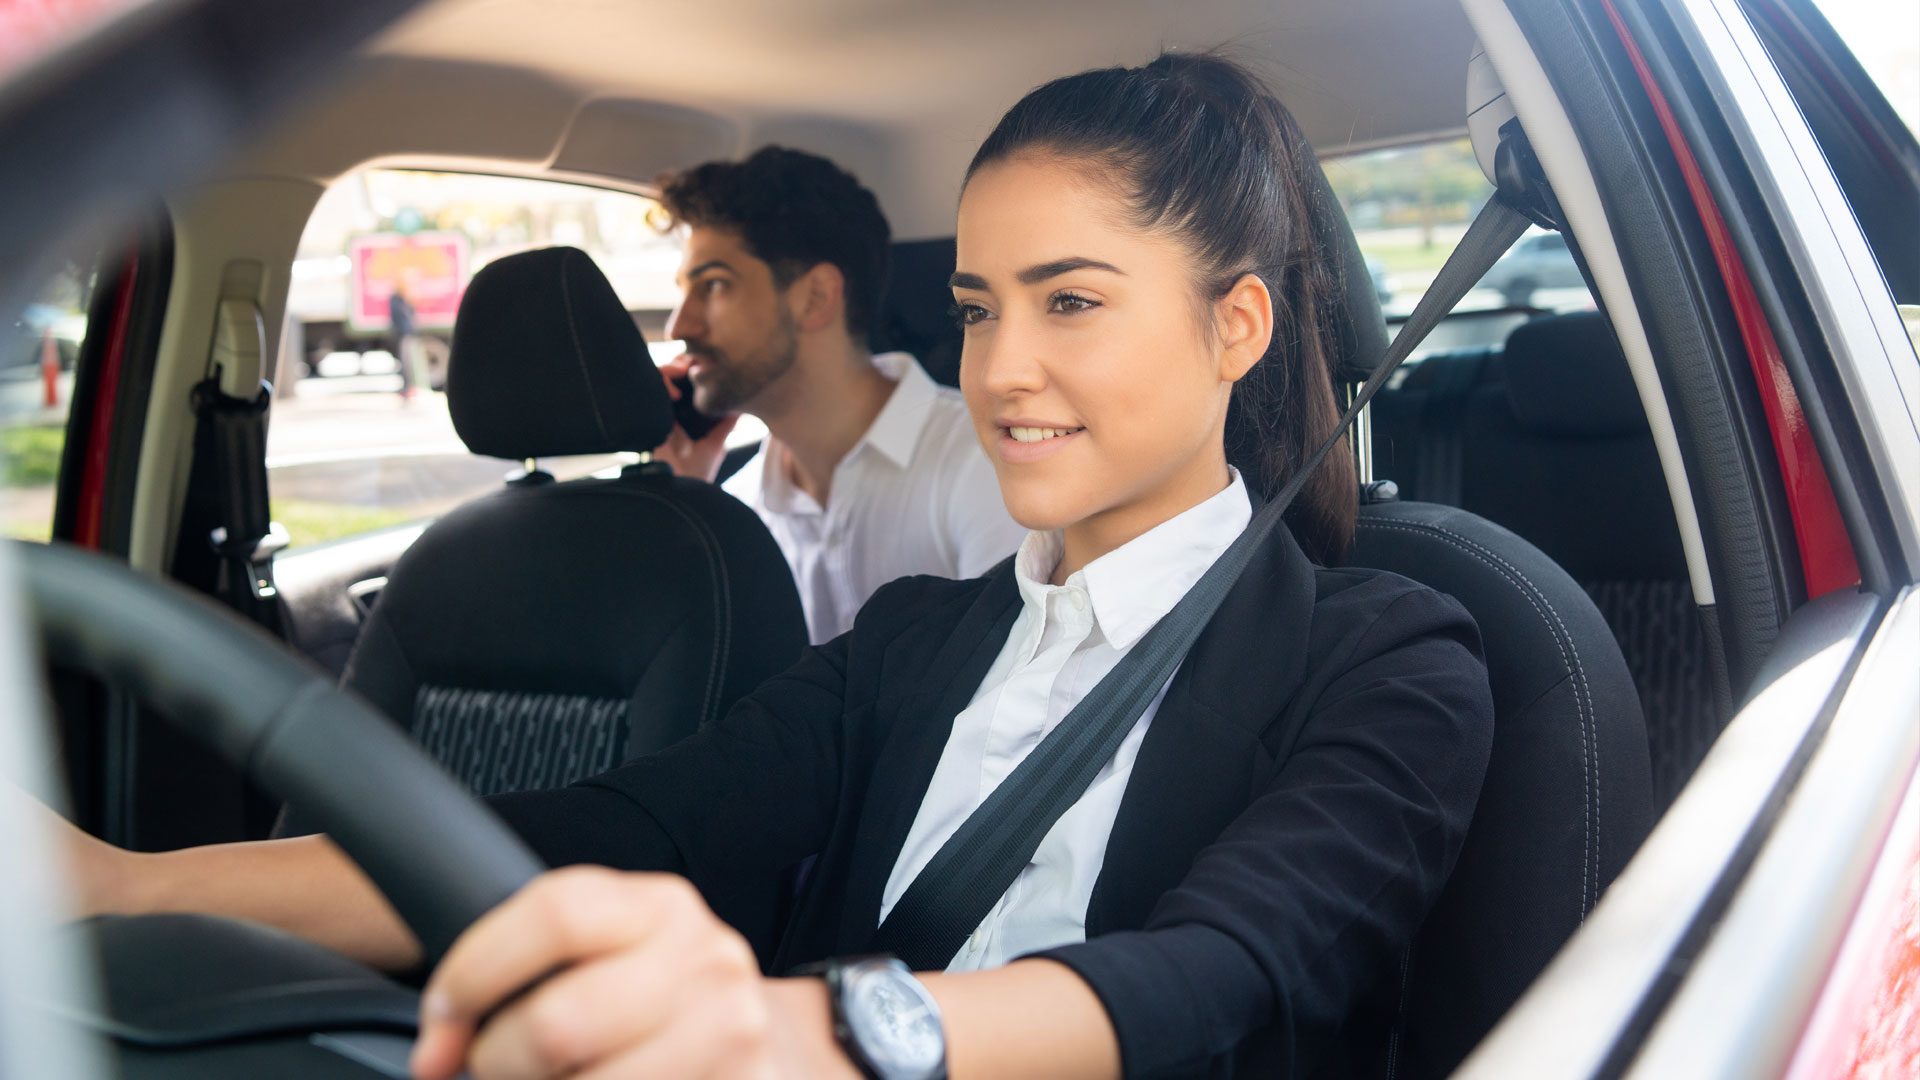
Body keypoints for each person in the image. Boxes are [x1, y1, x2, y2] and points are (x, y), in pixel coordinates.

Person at [52, 53, 1494, 1079]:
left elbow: (1222, 970)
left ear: (1236, 328)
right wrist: (130, 889)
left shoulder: (1395, 657)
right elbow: (620, 827)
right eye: (978, 309)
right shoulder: (913, 642)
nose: (1000, 371)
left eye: (1071, 303)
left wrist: (807, 1033)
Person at [649, 146, 1027, 643]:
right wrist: (686, 503)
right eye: (684, 291)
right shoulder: (736, 508)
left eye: (714, 286)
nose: (680, 326)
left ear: (816, 297)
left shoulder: (985, 465)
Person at [388, 277, 432, 403]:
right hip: (404, 334)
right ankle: (407, 387)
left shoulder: (404, 300)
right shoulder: (397, 300)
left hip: (408, 334)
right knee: (406, 362)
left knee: (409, 362)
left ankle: (410, 387)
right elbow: (401, 319)